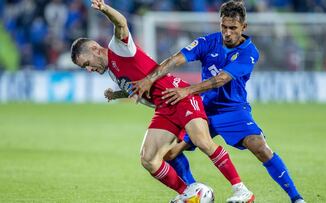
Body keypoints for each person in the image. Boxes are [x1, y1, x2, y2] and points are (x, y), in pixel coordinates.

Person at [70, 1, 255, 202]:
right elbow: (137, 87)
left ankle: (241, 189)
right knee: (148, 159)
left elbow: (121, 22)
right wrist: (116, 95)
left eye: (87, 64)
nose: (89, 69)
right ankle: (191, 192)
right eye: (84, 68)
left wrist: (105, 9)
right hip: (164, 108)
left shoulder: (118, 48)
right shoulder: (113, 72)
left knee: (203, 142)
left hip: (178, 95)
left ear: (96, 49)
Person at [130, 0, 306, 203]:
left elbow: (221, 79)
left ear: (244, 27)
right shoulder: (208, 42)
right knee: (169, 153)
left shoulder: (249, 52)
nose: (228, 33)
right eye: (224, 27)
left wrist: (187, 91)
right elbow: (175, 59)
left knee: (259, 147)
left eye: (233, 28)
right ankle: (194, 193)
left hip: (233, 109)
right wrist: (149, 79)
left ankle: (296, 198)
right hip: (203, 109)